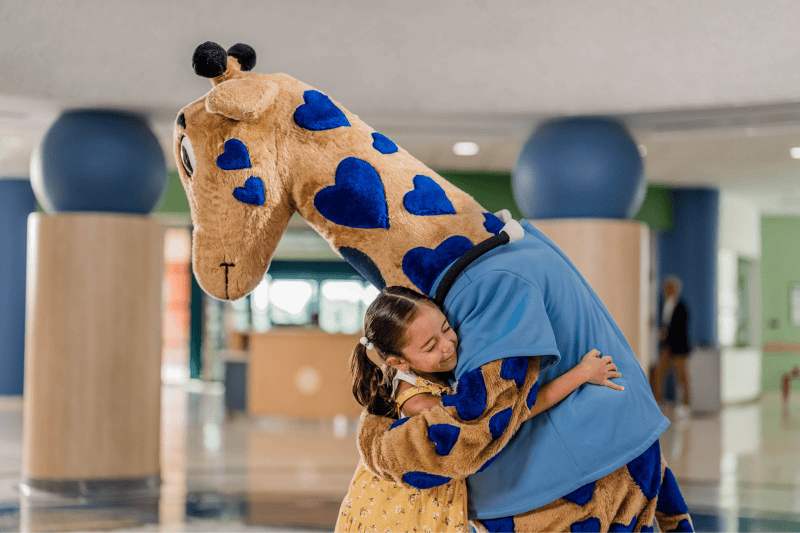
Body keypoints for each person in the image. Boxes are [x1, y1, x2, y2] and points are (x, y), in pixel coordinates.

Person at [335, 286, 624, 532]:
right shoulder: (421, 404)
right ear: (399, 362)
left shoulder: (420, 373)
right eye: (430, 346)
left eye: (446, 328)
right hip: (406, 517)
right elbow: (514, 412)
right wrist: (581, 374)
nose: (447, 346)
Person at [655, 275, 691, 415]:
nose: (667, 290)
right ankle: (658, 402)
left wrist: (666, 334)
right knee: (659, 373)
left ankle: (686, 405)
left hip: (679, 349)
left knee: (682, 377)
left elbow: (679, 329)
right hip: (667, 347)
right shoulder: (665, 304)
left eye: (670, 288)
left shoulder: (682, 306)